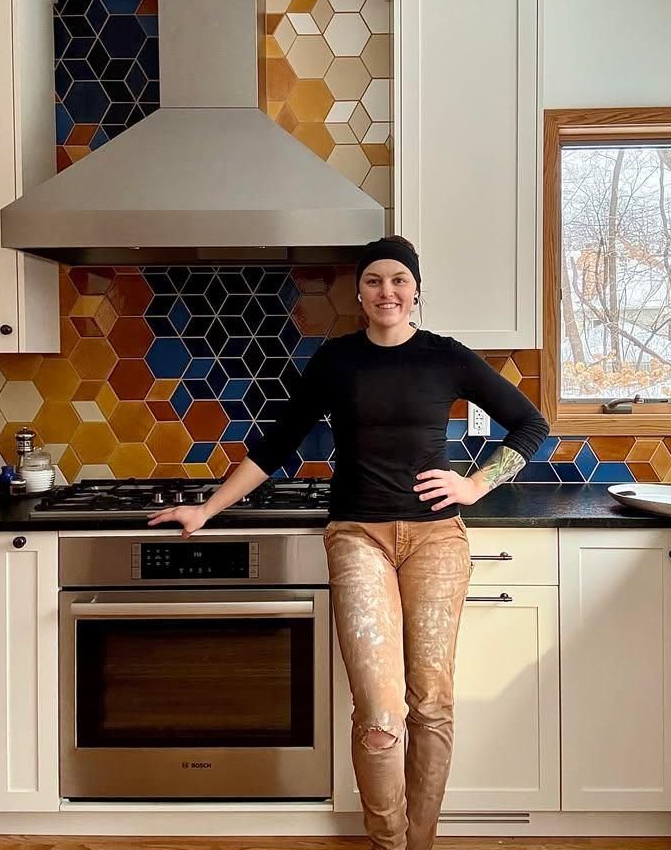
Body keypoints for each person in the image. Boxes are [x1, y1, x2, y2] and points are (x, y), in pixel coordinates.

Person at [148, 235, 549, 850]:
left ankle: (423, 843)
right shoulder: (336, 361)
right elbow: (277, 445)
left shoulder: (446, 357)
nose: (386, 292)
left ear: (416, 290)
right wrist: (207, 509)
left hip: (436, 540)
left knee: (432, 702)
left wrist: (475, 484)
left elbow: (532, 423)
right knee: (381, 711)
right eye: (373, 282)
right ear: (359, 293)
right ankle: (388, 842)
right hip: (358, 536)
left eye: (397, 280)